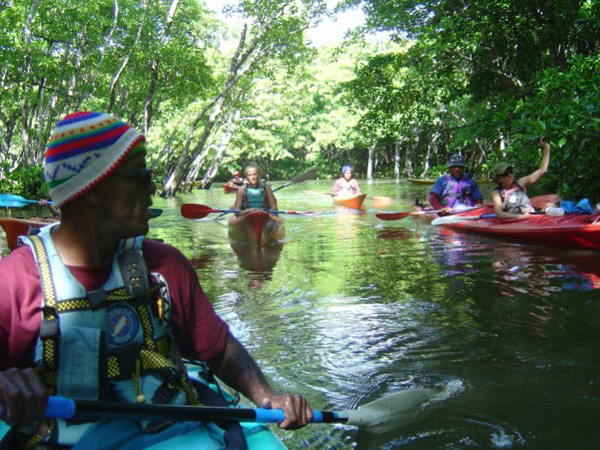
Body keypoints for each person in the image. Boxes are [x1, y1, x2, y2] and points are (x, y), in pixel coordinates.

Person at [0, 112, 312, 448]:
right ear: (93, 189)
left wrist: (268, 396)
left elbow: (217, 348)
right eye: (140, 176)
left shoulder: (165, 264)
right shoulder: (13, 282)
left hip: (174, 432)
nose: (151, 186)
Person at [491, 137, 558, 219]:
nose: (510, 175)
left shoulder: (520, 183)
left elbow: (542, 170)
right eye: (505, 174)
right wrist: (522, 217)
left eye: (510, 171)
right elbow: (500, 214)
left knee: (550, 205)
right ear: (499, 179)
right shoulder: (497, 193)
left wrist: (546, 148)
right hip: (518, 221)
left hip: (531, 217)